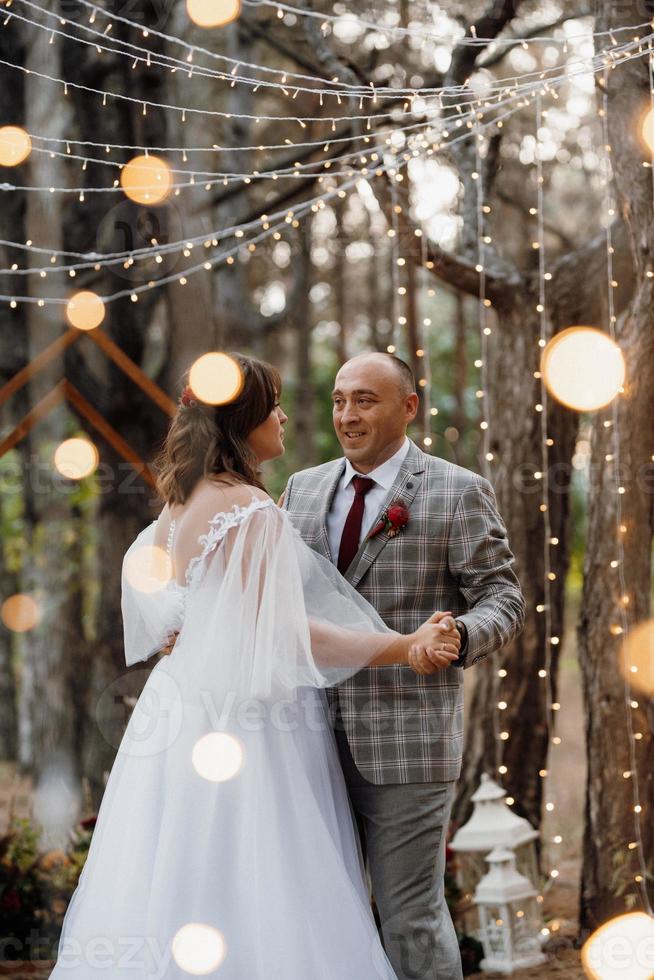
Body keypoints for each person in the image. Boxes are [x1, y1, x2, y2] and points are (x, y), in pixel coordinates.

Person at [48, 352, 460, 980]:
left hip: (181, 713)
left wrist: (187, 630)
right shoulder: (250, 509)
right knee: (269, 883)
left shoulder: (177, 504)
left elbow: (154, 590)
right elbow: (292, 636)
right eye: (272, 407)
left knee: (179, 878)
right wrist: (402, 646)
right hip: (253, 725)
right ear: (243, 421)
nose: (285, 415)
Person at [281, 352, 526, 980]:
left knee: (409, 915)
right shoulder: (301, 490)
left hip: (407, 742)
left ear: (408, 407)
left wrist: (461, 632)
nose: (347, 414)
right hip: (302, 738)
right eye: (339, 400)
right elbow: (275, 600)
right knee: (322, 913)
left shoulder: (456, 489)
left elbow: (503, 596)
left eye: (365, 399)